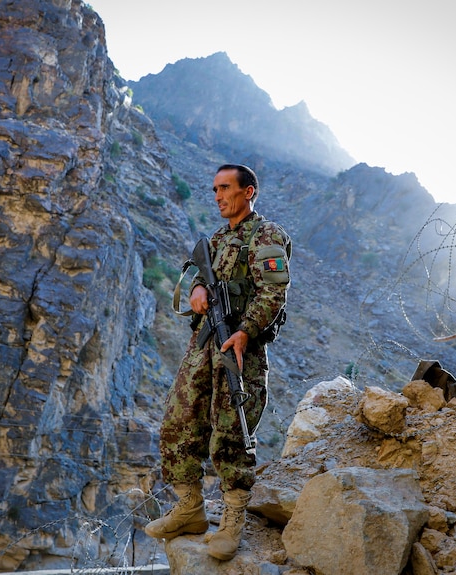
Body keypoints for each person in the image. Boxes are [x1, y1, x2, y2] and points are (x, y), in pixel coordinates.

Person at [144, 164, 291, 561]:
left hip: (241, 347)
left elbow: (273, 293)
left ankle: (231, 521)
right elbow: (197, 272)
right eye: (214, 189)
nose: (218, 196)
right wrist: (195, 287)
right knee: (179, 421)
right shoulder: (217, 239)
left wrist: (245, 331)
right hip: (204, 344)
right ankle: (190, 508)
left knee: (231, 431)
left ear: (249, 192)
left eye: (225, 188)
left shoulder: (266, 235)